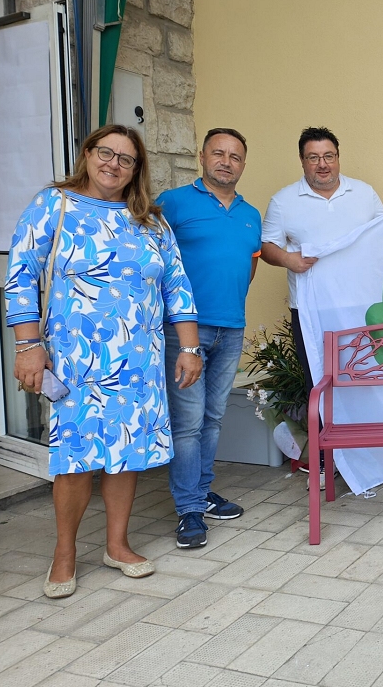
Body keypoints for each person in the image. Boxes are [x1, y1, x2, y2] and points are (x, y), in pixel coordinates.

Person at [5, 124, 200, 598]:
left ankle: (117, 545)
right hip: (77, 361)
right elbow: (21, 274)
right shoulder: (55, 204)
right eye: (105, 152)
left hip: (139, 361)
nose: (113, 163)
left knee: (126, 452)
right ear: (88, 154)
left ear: (136, 169)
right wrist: (28, 345)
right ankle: (65, 554)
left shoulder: (151, 221)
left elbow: (177, 285)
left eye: (125, 158)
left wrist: (190, 348)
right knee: (75, 460)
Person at [261, 127, 383, 488]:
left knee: (366, 379)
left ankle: (370, 456)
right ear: (302, 161)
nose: (322, 164)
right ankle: (327, 460)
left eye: (328, 156)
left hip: (359, 308)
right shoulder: (284, 201)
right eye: (313, 157)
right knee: (321, 383)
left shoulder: (363, 193)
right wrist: (288, 259)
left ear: (338, 158)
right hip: (311, 312)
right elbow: (267, 247)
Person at [157, 128, 262, 549]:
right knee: (188, 422)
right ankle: (188, 509)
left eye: (235, 156)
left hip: (231, 328)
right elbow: (153, 260)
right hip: (185, 330)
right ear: (202, 157)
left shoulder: (250, 214)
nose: (226, 161)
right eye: (218, 153)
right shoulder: (174, 203)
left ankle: (200, 493)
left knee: (213, 418)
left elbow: (248, 265)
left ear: (243, 164)